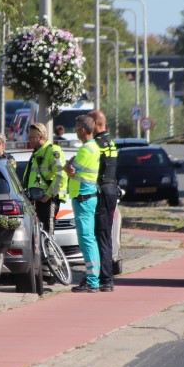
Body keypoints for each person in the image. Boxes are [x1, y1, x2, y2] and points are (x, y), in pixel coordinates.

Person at [64, 114, 101, 292]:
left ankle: (92, 281)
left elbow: (71, 169)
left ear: (83, 130)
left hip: (83, 198)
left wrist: (67, 165)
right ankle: (93, 278)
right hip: (86, 197)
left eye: (77, 128)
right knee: (89, 239)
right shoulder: (93, 147)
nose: (75, 131)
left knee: (86, 240)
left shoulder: (86, 149)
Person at [90, 109, 119, 292]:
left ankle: (106, 279)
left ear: (96, 123)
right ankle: (106, 276)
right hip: (111, 190)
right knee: (106, 235)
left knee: (100, 235)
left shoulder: (96, 144)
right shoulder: (111, 142)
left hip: (101, 191)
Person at [23, 123, 66, 238]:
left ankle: (50, 255)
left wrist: (49, 194)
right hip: (38, 200)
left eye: (32, 137)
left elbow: (61, 175)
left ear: (41, 137)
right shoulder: (37, 153)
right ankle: (44, 255)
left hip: (48, 200)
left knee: (47, 233)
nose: (29, 140)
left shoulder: (52, 151)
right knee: (41, 234)